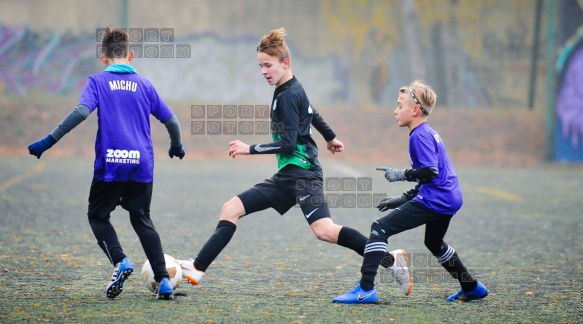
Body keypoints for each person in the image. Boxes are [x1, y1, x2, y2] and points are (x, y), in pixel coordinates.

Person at [178, 28, 412, 296]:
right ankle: (198, 267)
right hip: (286, 177)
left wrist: (249, 148)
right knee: (231, 209)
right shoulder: (289, 87)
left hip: (304, 176)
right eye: (260, 66)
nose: (264, 71)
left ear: (285, 63)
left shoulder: (288, 94)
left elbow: (288, 143)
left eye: (268, 65)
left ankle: (390, 260)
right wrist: (330, 137)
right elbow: (313, 112)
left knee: (325, 231)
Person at [27, 27, 185, 300]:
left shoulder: (97, 82)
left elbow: (80, 112)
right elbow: (171, 120)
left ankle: (121, 261)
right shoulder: (145, 85)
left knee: (98, 215)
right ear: (131, 55)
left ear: (103, 58)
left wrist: (48, 141)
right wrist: (177, 145)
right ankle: (164, 281)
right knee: (142, 218)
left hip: (111, 164)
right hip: (141, 164)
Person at [332, 80, 488, 304]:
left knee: (379, 228)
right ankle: (471, 287)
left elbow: (430, 172)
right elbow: (431, 177)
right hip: (448, 197)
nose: (395, 111)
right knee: (434, 243)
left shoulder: (419, 135)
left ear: (414, 110)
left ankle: (365, 289)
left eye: (399, 105)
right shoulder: (427, 132)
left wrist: (400, 174)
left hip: (437, 199)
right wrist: (402, 199)